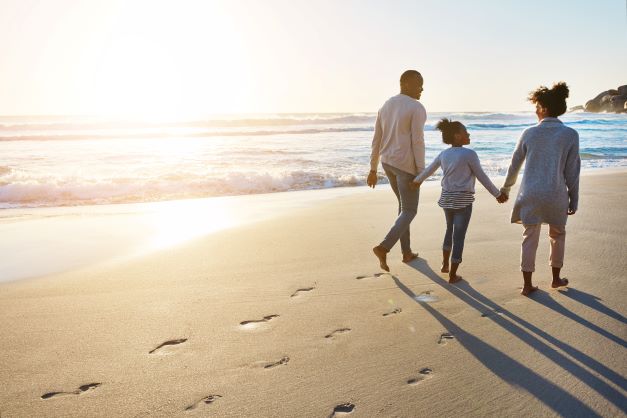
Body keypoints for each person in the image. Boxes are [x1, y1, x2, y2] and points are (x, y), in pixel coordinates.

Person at [500, 82, 580, 296]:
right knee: (558, 235)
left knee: (530, 237)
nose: (535, 110)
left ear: (544, 108)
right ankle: (555, 279)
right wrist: (574, 199)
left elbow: (514, 165)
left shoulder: (528, 133)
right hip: (556, 194)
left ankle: (527, 285)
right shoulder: (570, 134)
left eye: (537, 106)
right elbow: (573, 171)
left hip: (531, 194)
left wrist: (506, 189)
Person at [412, 118, 507, 283]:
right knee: (459, 237)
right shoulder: (469, 154)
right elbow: (481, 176)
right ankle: (453, 274)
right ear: (457, 136)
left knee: (449, 230)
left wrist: (417, 181)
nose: (468, 134)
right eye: (465, 132)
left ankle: (444, 264)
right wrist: (497, 194)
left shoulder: (444, 154)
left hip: (446, 198)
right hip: (463, 200)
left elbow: (428, 171)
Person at [368, 70, 426, 272]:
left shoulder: (385, 105)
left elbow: (376, 140)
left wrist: (373, 169)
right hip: (405, 166)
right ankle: (384, 247)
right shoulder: (416, 107)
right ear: (407, 84)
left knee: (403, 207)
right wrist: (421, 172)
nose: (422, 89)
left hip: (388, 164)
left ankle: (407, 252)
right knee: (410, 210)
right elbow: (417, 141)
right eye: (419, 84)